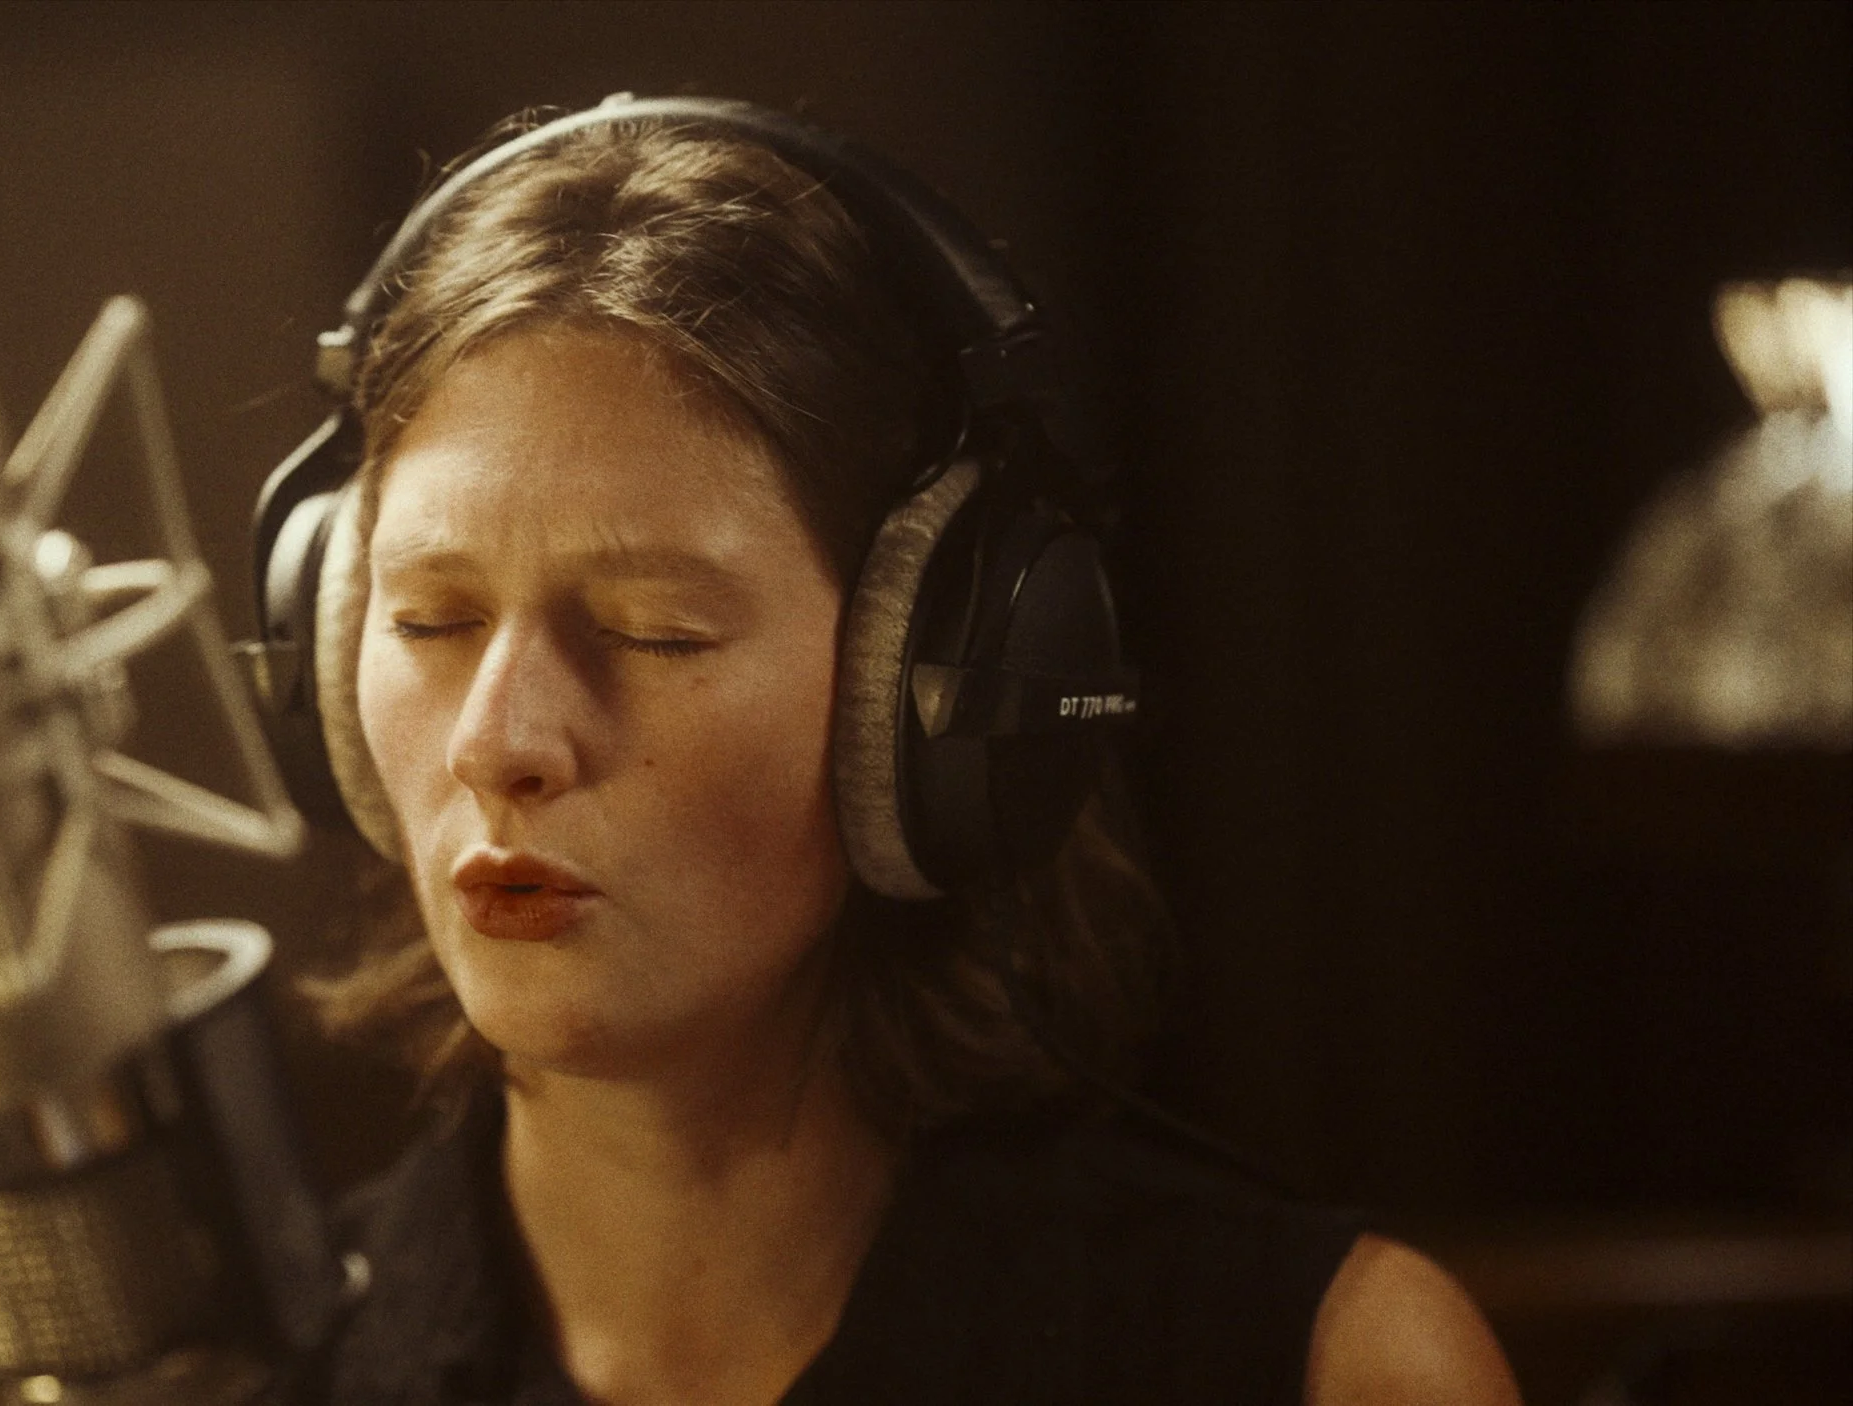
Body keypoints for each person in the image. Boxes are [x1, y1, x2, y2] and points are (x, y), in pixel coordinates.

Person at [278, 104, 1521, 1405]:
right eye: (433, 619)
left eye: (654, 633)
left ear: (930, 685)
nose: (498, 741)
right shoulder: (220, 1375)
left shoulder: (1339, 1365)